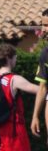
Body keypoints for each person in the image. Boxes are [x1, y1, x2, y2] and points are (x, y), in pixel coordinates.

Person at [31, 9, 48, 137]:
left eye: (47, 25)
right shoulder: (45, 54)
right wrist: (35, 116)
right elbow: (43, 88)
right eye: (43, 25)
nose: (44, 29)